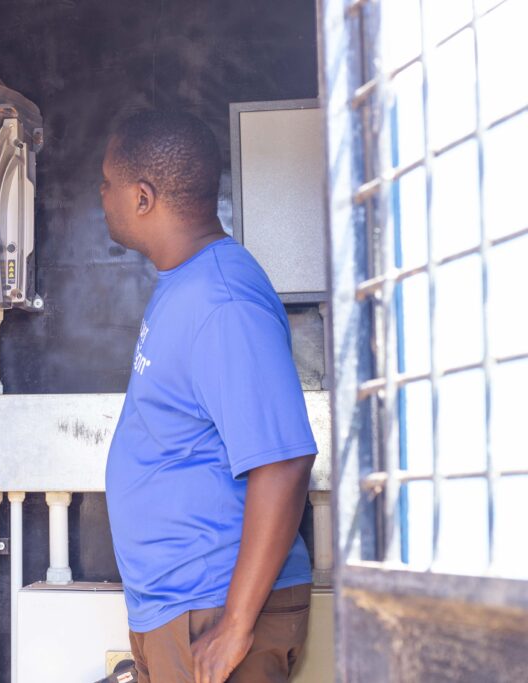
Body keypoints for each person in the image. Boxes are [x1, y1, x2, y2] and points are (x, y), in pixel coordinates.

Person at [102, 110, 317, 683]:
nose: (101, 196)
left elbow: (285, 461)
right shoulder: (185, 282)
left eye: (107, 184)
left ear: (142, 197)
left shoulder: (222, 301)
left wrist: (236, 624)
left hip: (215, 609)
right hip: (183, 609)